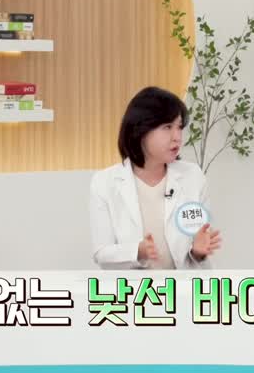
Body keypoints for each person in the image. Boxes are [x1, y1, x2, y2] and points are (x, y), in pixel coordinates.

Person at [89, 86, 221, 269]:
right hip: (135, 287)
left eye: (179, 127)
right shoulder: (105, 183)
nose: (177, 137)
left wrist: (198, 252)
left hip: (183, 285)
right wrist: (138, 251)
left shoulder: (192, 176)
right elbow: (101, 253)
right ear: (141, 130)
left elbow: (198, 243)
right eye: (167, 127)